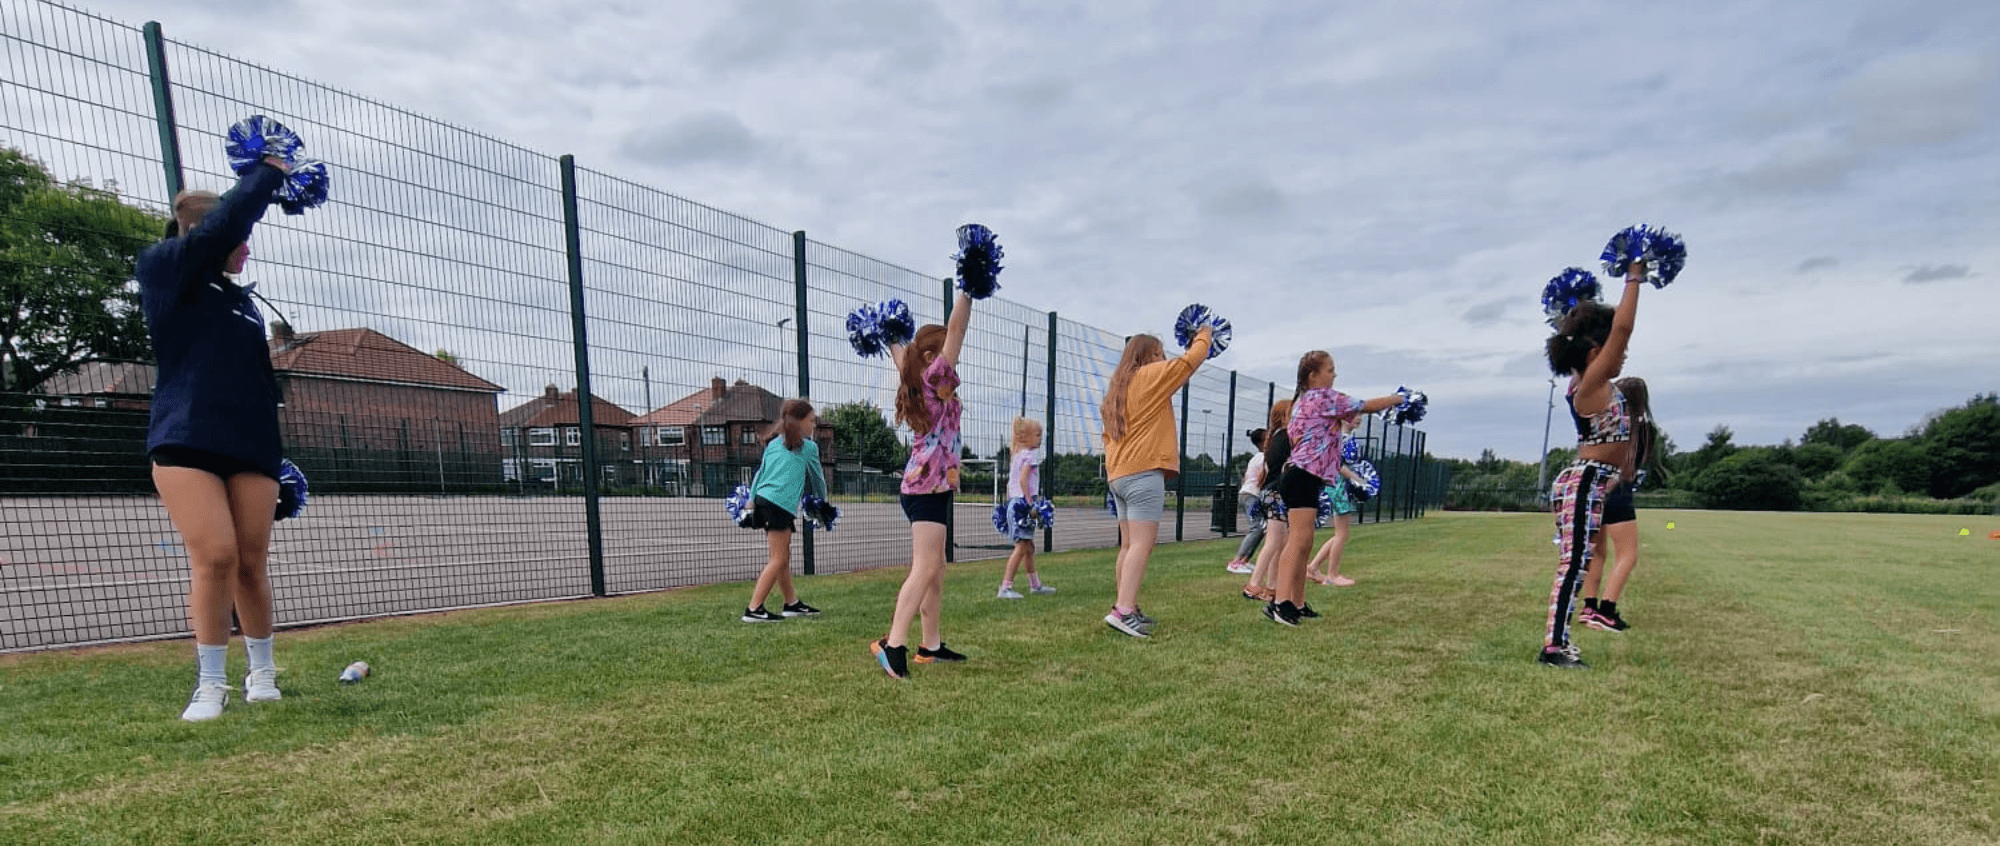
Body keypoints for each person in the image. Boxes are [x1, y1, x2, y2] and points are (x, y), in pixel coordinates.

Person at [138, 153, 293, 721]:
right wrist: (267, 175)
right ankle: (209, 685)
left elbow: (256, 380)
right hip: (186, 440)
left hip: (251, 444)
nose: (246, 247)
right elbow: (224, 226)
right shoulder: (165, 269)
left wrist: (280, 459)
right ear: (209, 232)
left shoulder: (241, 303)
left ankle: (263, 674)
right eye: (239, 237)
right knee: (217, 554)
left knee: (251, 562)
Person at [1540, 262, 1646, 669]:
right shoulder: (1590, 385)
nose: (1623, 355)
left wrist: (1577, 309)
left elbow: (1596, 336)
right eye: (1615, 352)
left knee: (1580, 561)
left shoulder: (1586, 381)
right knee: (1574, 564)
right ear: (1594, 354)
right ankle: (1554, 647)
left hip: (1595, 481)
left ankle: (1557, 643)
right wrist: (1633, 275)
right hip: (1585, 481)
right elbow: (1622, 330)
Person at [872, 291, 975, 678]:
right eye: (946, 352)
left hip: (932, 486)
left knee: (936, 567)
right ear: (933, 358)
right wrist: (968, 290)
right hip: (925, 488)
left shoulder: (920, 377)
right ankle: (893, 646)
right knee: (926, 565)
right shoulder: (933, 378)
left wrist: (890, 335)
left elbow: (902, 355)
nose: (954, 358)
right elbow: (957, 328)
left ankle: (930, 645)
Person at [1267, 352, 1409, 627]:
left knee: (1304, 543)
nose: (1334, 375)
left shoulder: (1304, 402)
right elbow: (1365, 406)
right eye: (1330, 370)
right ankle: (1280, 603)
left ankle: (1297, 602)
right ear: (1313, 375)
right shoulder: (1322, 397)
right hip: (1302, 475)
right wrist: (1397, 399)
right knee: (1297, 541)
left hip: (1305, 476)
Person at [1100, 327, 1213, 637]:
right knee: (1141, 545)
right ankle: (1123, 611)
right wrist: (1204, 334)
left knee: (1128, 545)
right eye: (1161, 354)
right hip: (1144, 473)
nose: (1164, 360)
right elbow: (1190, 362)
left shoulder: (1116, 391)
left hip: (1118, 476)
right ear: (1149, 356)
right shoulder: (1150, 376)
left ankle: (1125, 604)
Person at [739, 399, 827, 623]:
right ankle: (754, 609)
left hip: (764, 501)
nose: (814, 424)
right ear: (799, 422)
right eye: (811, 420)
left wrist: (751, 499)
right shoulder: (809, 448)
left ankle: (791, 603)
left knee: (781, 557)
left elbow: (760, 473)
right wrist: (822, 503)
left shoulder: (774, 444)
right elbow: (817, 478)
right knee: (778, 558)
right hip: (779, 505)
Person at [1579, 376, 1655, 632]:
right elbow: (1633, 466)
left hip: (1591, 489)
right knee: (1627, 555)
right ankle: (1607, 610)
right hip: (1617, 492)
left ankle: (1589, 607)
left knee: (1597, 552)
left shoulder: (1602, 424)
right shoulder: (1642, 429)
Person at [1305, 417, 1370, 587]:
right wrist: (1360, 481)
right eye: (1353, 414)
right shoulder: (1339, 438)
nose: (1358, 418)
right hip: (1338, 487)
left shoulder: (1344, 438)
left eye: (1359, 414)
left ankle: (1313, 567)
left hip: (1340, 487)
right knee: (1342, 534)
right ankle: (1332, 575)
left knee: (1341, 533)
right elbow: (1338, 465)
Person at [997, 418, 1055, 599]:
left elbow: (1011, 484)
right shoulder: (1030, 455)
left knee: (1029, 547)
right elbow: (1023, 480)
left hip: (1014, 503)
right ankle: (1005, 587)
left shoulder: (1017, 456)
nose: (1040, 439)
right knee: (1022, 546)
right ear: (1026, 437)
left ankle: (1035, 585)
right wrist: (1030, 504)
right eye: (1037, 435)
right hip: (1023, 503)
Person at [1242, 404, 1292, 602]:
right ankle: (1253, 585)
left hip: (1271, 494)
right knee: (1273, 542)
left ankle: (1272, 587)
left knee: (1279, 542)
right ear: (1284, 416)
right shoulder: (1285, 437)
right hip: (1275, 495)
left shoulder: (1277, 438)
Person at [1223, 428, 1269, 575]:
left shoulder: (1258, 457)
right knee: (1257, 528)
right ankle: (1236, 562)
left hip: (1251, 495)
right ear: (1262, 442)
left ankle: (1245, 561)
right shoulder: (1263, 458)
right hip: (1251, 496)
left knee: (1261, 529)